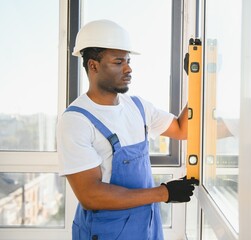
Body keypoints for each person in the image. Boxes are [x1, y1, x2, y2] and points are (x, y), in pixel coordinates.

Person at [57, 19, 198, 240]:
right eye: (118, 61)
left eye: (129, 61)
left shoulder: (138, 107)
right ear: (93, 65)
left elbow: (182, 129)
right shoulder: (76, 120)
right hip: (107, 232)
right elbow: (90, 195)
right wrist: (164, 193)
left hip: (146, 227)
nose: (128, 68)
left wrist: (198, 80)